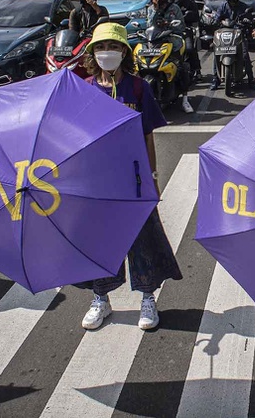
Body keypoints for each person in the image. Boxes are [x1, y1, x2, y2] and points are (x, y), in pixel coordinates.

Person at [78, 22, 183, 330]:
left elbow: (147, 135)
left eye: (111, 47)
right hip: (96, 181)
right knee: (99, 241)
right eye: (99, 48)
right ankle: (101, 298)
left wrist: (152, 175)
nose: (105, 53)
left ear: (123, 51)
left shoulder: (138, 87)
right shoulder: (83, 89)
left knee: (143, 239)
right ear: (91, 53)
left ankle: (148, 298)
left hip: (132, 179)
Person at [145, 0, 194, 114]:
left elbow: (181, 26)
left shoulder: (174, 8)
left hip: (172, 39)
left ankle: (185, 99)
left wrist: (169, 24)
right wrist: (155, 9)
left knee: (181, 67)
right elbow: (148, 25)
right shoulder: (150, 9)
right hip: (155, 40)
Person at [211, 0, 254, 90]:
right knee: (216, 52)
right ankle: (215, 79)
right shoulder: (223, 6)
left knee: (245, 55)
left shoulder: (243, 6)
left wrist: (247, 20)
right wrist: (215, 21)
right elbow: (216, 18)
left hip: (239, 35)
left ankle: (251, 79)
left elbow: (249, 17)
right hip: (224, 35)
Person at [170, 0, 204, 82]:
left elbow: (196, 17)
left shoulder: (188, 2)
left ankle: (197, 70)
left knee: (189, 48)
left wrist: (187, 17)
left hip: (185, 29)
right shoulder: (169, 3)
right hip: (171, 30)